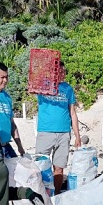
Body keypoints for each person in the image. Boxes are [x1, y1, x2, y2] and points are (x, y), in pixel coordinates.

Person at [35, 60, 81, 194]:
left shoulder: (68, 89)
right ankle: (41, 195)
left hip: (64, 133)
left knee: (59, 167)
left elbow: (72, 112)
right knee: (40, 166)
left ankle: (55, 196)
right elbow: (32, 83)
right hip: (45, 132)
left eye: (64, 72)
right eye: (59, 72)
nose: (62, 74)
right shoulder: (43, 86)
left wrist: (77, 135)